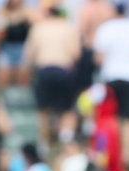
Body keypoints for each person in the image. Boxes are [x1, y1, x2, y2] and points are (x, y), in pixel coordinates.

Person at [94, 3, 129, 164]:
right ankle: (128, 157)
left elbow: (99, 58)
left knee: (110, 118)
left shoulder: (106, 28)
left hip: (111, 77)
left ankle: (110, 153)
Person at [23, 3, 80, 146]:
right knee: (67, 109)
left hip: (44, 70)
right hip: (63, 70)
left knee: (43, 109)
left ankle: (44, 144)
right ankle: (66, 141)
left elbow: (29, 55)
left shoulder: (38, 28)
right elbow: (76, 54)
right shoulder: (68, 27)